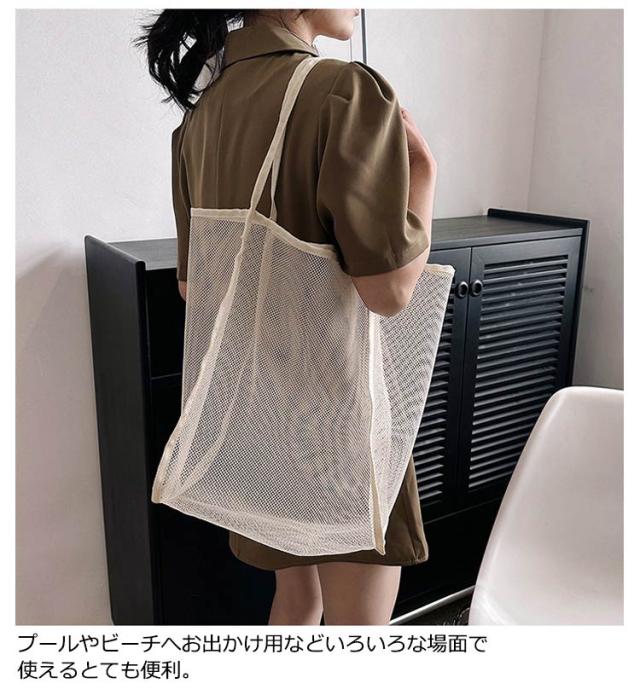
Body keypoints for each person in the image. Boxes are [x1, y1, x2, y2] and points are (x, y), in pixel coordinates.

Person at [136, 8, 438, 625]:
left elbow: (195, 286)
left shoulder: (199, 118)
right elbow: (389, 292)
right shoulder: (343, 91)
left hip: (256, 417)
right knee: (359, 635)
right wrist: (424, 178)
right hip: (338, 419)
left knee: (297, 601)